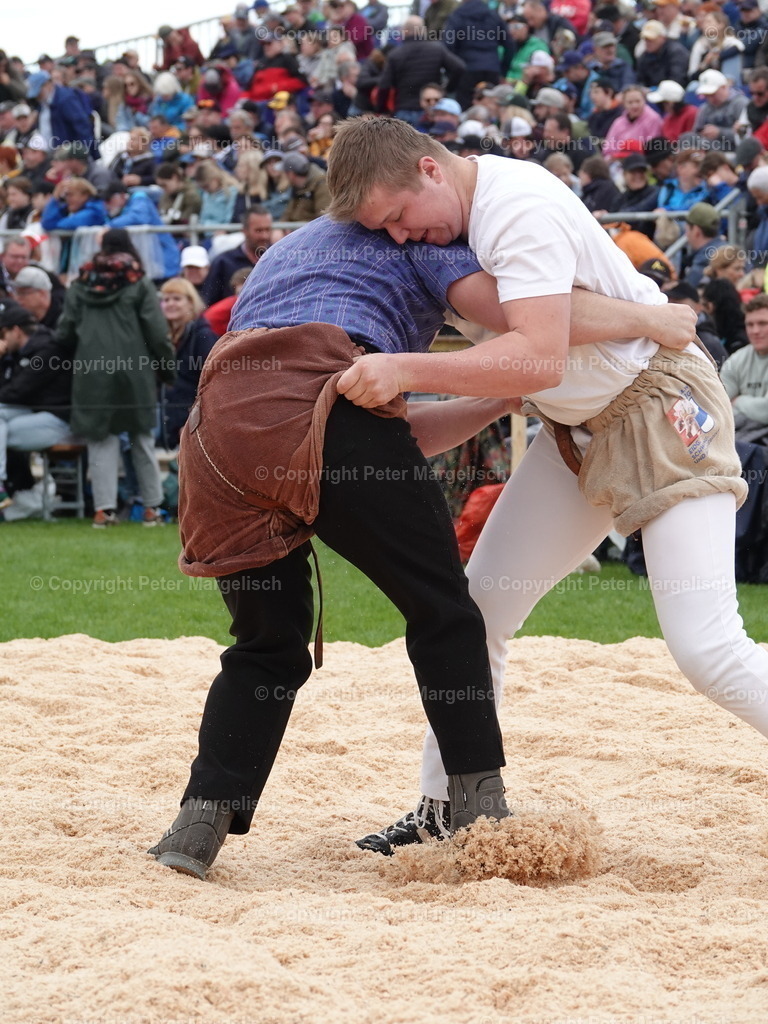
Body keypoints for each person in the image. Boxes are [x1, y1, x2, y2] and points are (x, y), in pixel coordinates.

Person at [146, 209, 697, 877]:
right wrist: (649, 320)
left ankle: (196, 825)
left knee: (267, 643)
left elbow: (382, 449)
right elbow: (534, 324)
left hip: (219, 429)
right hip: (326, 403)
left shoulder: (291, 250)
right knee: (446, 612)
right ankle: (478, 811)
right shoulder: (424, 237)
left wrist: (498, 401)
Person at [325, 116, 768, 854]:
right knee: (477, 613)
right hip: (577, 427)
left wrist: (407, 372)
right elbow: (543, 335)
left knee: (708, 647)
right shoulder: (460, 223)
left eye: (399, 217)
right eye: (385, 230)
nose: (401, 238)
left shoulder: (514, 204)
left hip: (659, 404)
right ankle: (445, 806)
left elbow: (536, 358)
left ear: (431, 171)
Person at [55, 228, 176, 528]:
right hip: (135, 371)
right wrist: (167, 369)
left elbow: (65, 331)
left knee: (101, 439)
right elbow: (158, 333)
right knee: (142, 438)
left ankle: (103, 511)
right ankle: (152, 509)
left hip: (92, 370)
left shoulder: (80, 284)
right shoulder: (140, 282)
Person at [0, 303, 72, 509]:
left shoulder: (49, 350)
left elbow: (17, 392)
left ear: (15, 330)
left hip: (59, 421)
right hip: (33, 414)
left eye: (2, 333)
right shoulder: (18, 352)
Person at [157, 277, 217, 450]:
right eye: (166, 300)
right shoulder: (164, 336)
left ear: (191, 303)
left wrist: (193, 421)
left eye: (177, 299)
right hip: (168, 425)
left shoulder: (202, 336)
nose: (170, 304)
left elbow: (211, 382)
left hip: (191, 427)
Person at [721, 291, 768, 444]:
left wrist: (739, 401)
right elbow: (719, 406)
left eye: (763, 323)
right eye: (750, 324)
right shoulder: (737, 359)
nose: (755, 331)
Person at [203, 207, 272, 305]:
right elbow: (209, 302)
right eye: (258, 230)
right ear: (244, 231)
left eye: (267, 229)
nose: (264, 236)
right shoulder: (223, 262)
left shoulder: (278, 260)